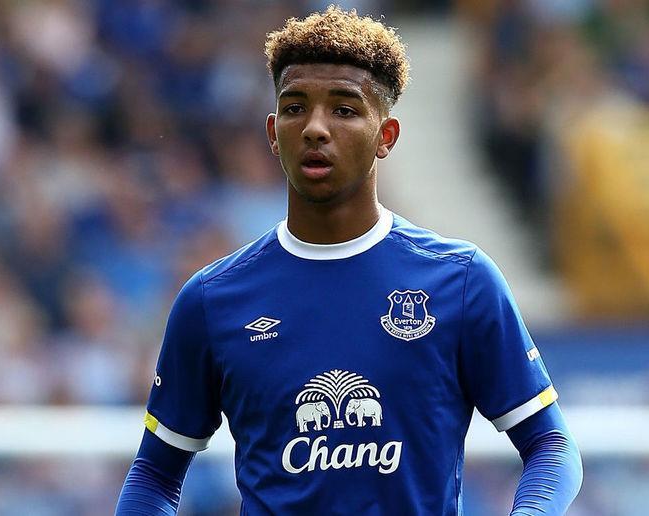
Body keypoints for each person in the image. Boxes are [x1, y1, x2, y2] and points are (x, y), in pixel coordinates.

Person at [116, 6, 582, 515]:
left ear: (386, 136)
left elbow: (552, 448)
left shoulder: (460, 281)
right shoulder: (212, 300)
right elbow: (155, 474)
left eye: (344, 109)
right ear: (273, 133)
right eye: (295, 108)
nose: (315, 127)